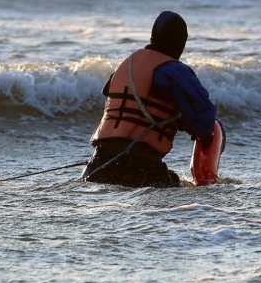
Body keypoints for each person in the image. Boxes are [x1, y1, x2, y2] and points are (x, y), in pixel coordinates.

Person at [82, 11, 217, 187]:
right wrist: (203, 134)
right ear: (179, 42)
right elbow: (203, 118)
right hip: (141, 168)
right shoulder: (174, 71)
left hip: (98, 164)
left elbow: (112, 94)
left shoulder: (127, 65)